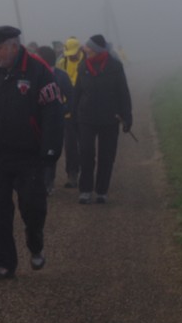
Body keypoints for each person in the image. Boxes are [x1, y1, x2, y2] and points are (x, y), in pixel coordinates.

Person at [0, 25, 62, 280]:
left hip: (30, 156)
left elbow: (53, 114)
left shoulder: (39, 72)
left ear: (14, 46)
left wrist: (51, 149)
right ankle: (4, 263)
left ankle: (35, 241)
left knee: (33, 208)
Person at [74, 34, 133, 205]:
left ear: (97, 50)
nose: (85, 49)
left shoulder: (115, 66)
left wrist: (127, 116)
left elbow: (123, 92)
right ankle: (85, 190)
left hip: (109, 118)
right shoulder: (83, 66)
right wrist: (73, 114)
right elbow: (77, 92)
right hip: (86, 117)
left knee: (106, 156)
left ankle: (101, 190)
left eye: (88, 47)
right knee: (86, 153)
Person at [39, 45, 74, 195]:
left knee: (51, 150)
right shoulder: (36, 74)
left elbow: (71, 97)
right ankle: (40, 181)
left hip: (55, 121)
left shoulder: (61, 76)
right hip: (38, 120)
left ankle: (49, 182)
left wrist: (62, 110)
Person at [55, 37, 85, 188]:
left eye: (74, 53)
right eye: (69, 53)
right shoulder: (61, 63)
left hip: (83, 110)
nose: (72, 56)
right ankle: (72, 174)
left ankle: (86, 174)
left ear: (79, 50)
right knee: (70, 145)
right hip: (67, 110)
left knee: (85, 144)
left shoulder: (86, 62)